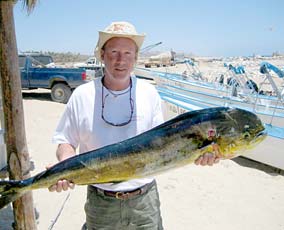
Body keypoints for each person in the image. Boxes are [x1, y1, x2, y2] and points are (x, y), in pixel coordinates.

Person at [49, 21, 220, 230]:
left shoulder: (149, 93)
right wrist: (64, 166)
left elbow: (166, 144)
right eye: (113, 52)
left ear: (136, 58)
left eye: (128, 53)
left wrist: (199, 154)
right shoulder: (82, 95)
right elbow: (65, 140)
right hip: (101, 203)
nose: (120, 60)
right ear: (102, 55)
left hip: (144, 201)